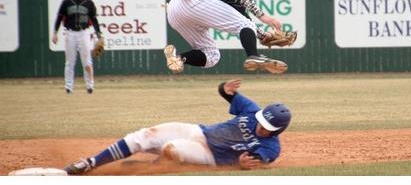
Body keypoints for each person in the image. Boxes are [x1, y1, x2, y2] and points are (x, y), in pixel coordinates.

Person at [64, 79, 292, 175]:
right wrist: (226, 88)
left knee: (172, 148)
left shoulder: (270, 147)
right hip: (198, 131)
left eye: (266, 126)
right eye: (262, 120)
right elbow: (225, 93)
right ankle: (90, 163)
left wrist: (242, 165)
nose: (261, 126)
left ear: (277, 130)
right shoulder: (252, 111)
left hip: (208, 154)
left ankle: (146, 168)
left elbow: (259, 162)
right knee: (144, 136)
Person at [52, 0, 102, 94]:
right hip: (70, 33)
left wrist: (99, 34)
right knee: (70, 62)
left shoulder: (89, 3)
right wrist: (55, 32)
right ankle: (68, 87)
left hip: (84, 33)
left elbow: (94, 19)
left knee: (87, 62)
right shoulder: (66, 2)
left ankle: (90, 86)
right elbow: (59, 17)